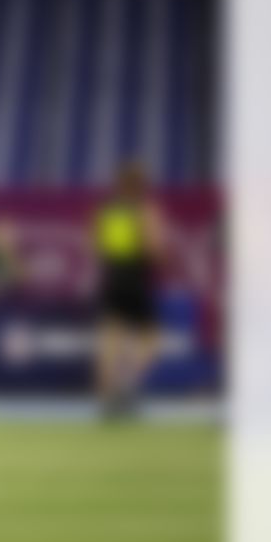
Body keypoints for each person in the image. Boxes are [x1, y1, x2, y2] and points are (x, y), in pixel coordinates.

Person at [92, 162, 168, 418]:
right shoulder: (145, 210)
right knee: (151, 341)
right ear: (140, 186)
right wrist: (159, 253)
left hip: (112, 278)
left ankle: (106, 396)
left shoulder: (108, 211)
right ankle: (127, 385)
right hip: (135, 279)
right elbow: (154, 249)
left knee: (111, 339)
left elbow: (97, 247)